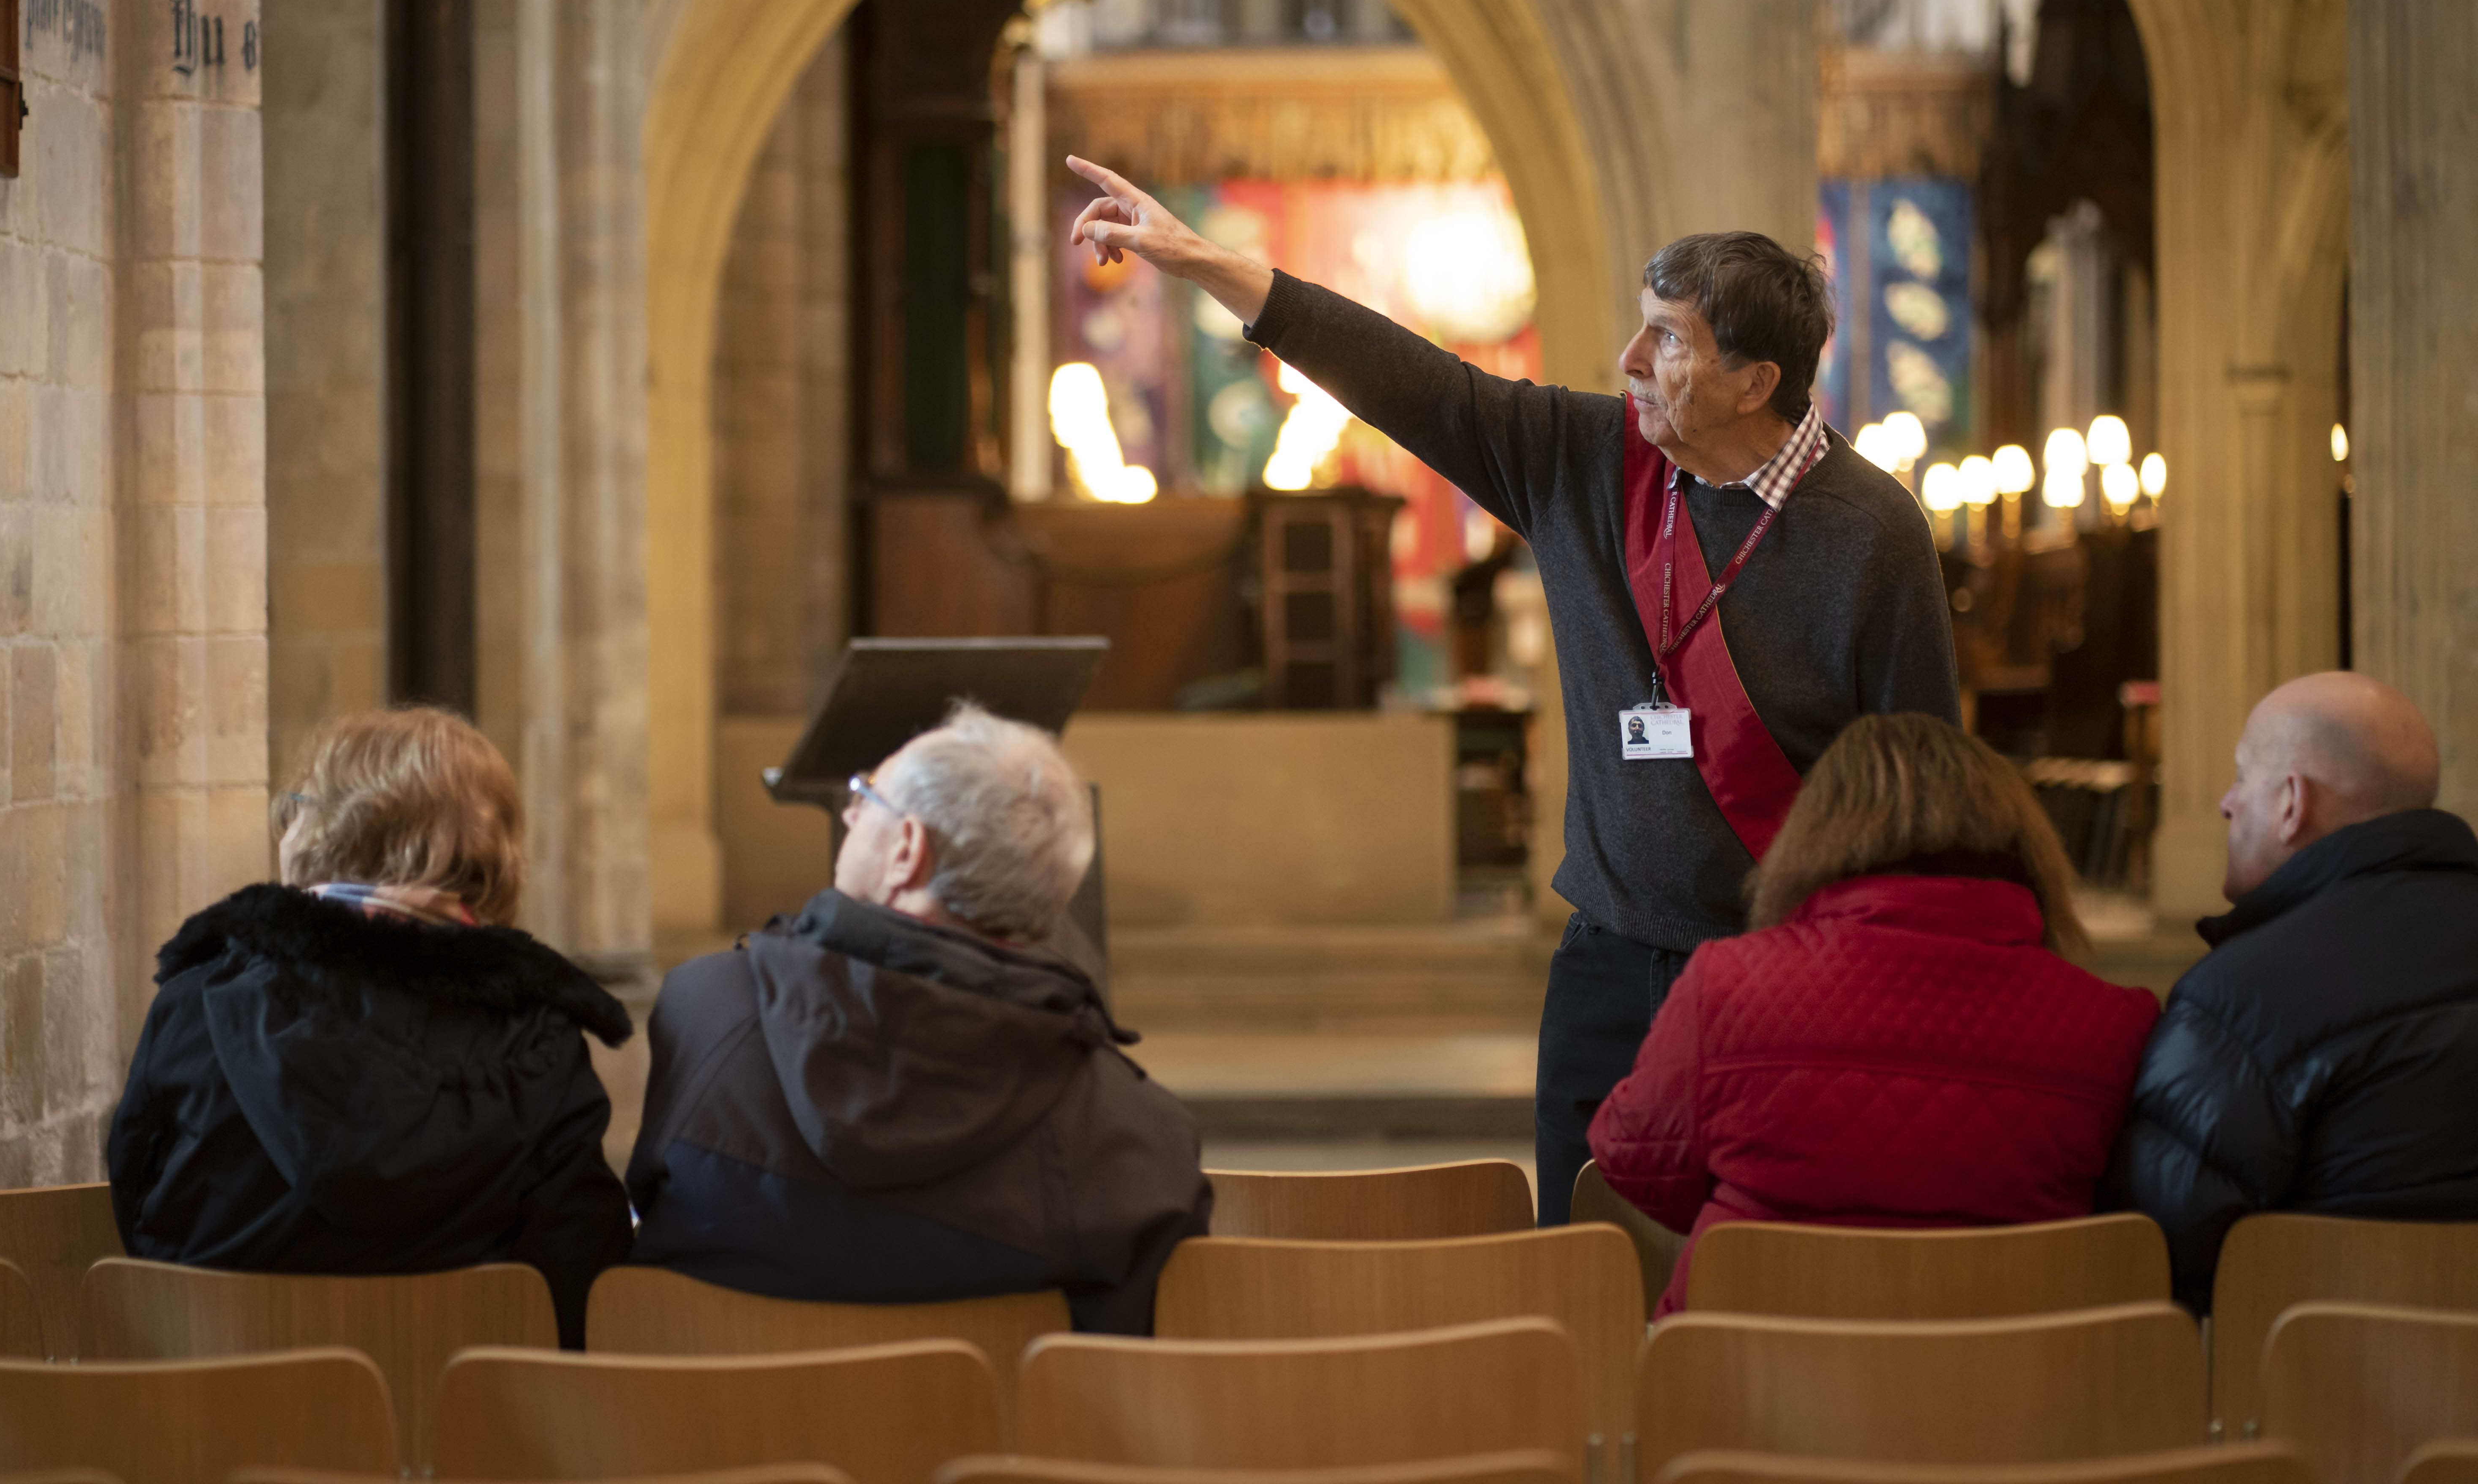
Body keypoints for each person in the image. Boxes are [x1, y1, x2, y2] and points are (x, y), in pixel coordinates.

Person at [1064, 157, 1959, 1220]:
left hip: (1791, 974)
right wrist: (1206, 261)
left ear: (1756, 381)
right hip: (1611, 969)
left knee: (1767, 1271)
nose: (1628, 359)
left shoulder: (1873, 531)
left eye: (1668, 337)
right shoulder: (1586, 459)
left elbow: (1925, 797)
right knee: (1582, 1256)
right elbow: (1409, 378)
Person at [625, 704, 1211, 1334]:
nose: (850, 813)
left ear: (907, 849)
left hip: (716, 1429)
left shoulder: (708, 1011)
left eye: (865, 795)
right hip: (996, 1435)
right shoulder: (1139, 1137)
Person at [1587, 713, 2160, 1313]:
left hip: (1749, 1383)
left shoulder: (1726, 987)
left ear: (1816, 836)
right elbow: (2128, 1221)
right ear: (2024, 845)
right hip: (2015, 1391)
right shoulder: (2115, 1024)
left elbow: (1632, 1161)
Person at [107, 706, 634, 1346]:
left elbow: (141, 1214)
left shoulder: (200, 999)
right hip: (469, 1423)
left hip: (218, 1413)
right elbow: (581, 1273)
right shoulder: (540, 1036)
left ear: (331, 830)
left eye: (297, 805)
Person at [2105, 672, 2478, 1312]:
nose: (2225, 802)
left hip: (2330, 1389)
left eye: (2243, 775)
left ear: (2291, 803)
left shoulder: (2238, 1000)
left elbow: (2156, 1255)